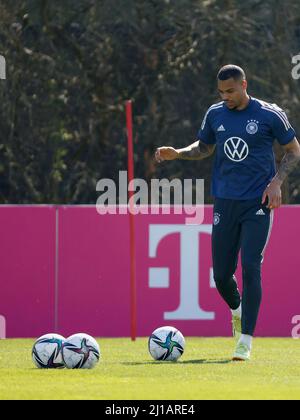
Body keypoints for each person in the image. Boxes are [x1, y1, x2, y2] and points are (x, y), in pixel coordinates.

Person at [155, 64, 300, 361]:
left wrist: (276, 183)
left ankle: (245, 340)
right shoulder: (215, 113)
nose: (226, 97)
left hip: (258, 202)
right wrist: (179, 152)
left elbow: (294, 150)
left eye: (231, 91)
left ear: (244, 84)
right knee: (221, 275)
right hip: (225, 202)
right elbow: (205, 147)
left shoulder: (269, 114)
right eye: (221, 92)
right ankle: (237, 310)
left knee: (250, 264)